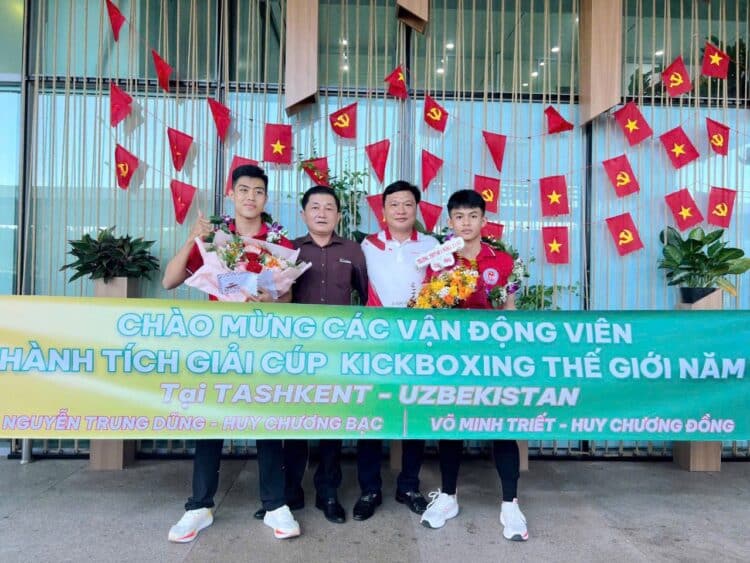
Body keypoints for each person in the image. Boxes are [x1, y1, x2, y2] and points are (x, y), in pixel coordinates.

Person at [162, 164, 300, 542]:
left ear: (266, 198)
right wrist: (192, 240)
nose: (250, 197)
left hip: (264, 347)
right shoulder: (215, 239)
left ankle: (275, 504)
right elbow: (170, 280)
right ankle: (199, 506)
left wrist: (272, 298)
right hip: (220, 346)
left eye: (258, 191)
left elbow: (288, 296)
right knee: (211, 422)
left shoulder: (278, 242)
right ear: (232, 194)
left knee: (267, 423)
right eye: (244, 190)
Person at [252, 185, 369, 525]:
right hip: (296, 352)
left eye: (329, 207)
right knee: (295, 422)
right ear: (302, 214)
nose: (322, 213)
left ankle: (328, 494)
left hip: (338, 351)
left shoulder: (353, 251)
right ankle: (288, 495)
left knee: (332, 423)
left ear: (338, 215)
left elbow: (366, 298)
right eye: (315, 207)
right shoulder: (289, 250)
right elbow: (276, 294)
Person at [418, 189, 528, 541]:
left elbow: (511, 310)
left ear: (484, 220)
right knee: (451, 425)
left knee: (502, 427)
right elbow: (428, 307)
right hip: (452, 359)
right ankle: (448, 497)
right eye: (459, 216)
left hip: (494, 360)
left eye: (473, 216)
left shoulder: (504, 261)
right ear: (450, 222)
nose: (466, 223)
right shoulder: (439, 261)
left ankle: (510, 504)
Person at [354, 180, 439, 521]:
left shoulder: (432, 245)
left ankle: (409, 486)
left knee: (413, 416)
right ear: (383, 210)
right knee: (372, 415)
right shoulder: (367, 245)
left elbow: (443, 288)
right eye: (394, 204)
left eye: (407, 204)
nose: (401, 210)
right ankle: (369, 489)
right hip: (376, 342)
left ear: (416, 209)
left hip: (418, 343)